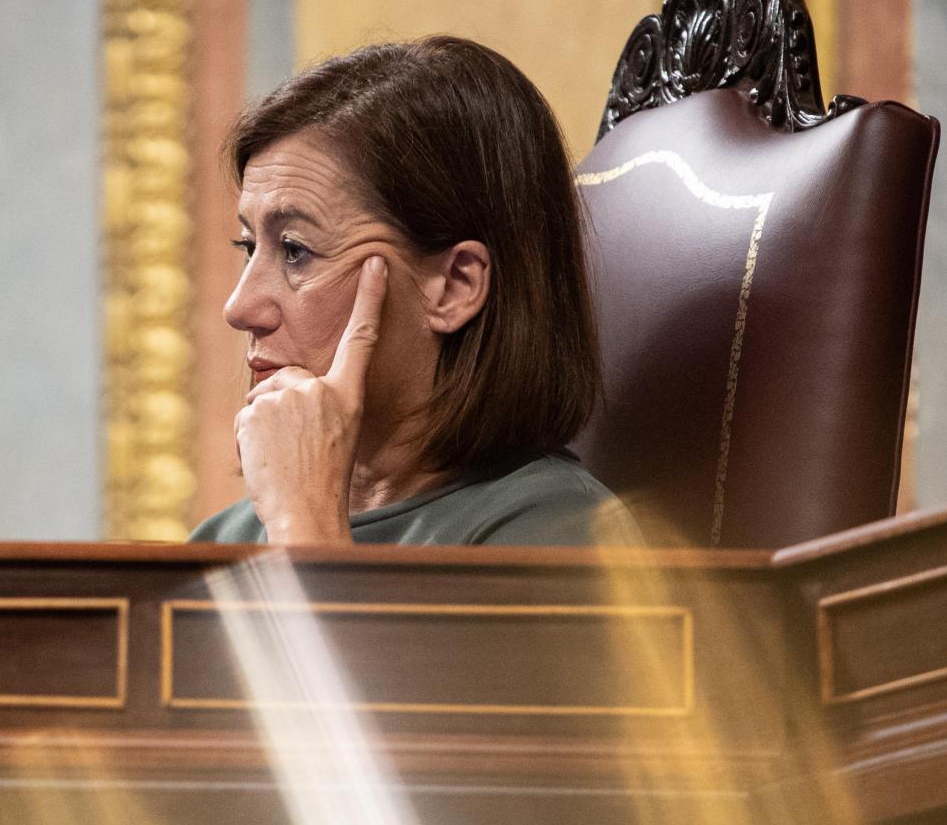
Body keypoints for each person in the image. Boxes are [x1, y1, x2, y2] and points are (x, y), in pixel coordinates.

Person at [189, 35, 642, 547]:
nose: (239, 307)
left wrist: (303, 530)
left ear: (454, 286)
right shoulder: (223, 538)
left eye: (295, 250)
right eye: (249, 246)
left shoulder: (563, 536)